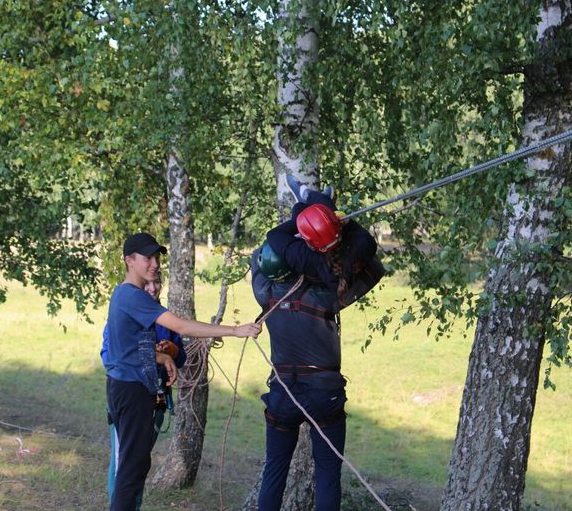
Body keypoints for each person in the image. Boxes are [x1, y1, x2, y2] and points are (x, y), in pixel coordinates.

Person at [252, 177, 384, 511]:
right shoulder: (331, 295)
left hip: (283, 393)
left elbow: (258, 256)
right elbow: (375, 268)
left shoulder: (263, 292)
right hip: (323, 393)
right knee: (327, 474)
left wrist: (299, 232)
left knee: (274, 470)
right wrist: (324, 229)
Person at [105, 232, 262, 511]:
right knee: (130, 470)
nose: (154, 264)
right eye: (147, 258)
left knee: (136, 464)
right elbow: (182, 327)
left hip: (128, 388)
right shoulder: (132, 296)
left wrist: (162, 356)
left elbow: (126, 347)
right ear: (129, 260)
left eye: (156, 257)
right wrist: (235, 330)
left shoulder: (124, 294)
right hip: (131, 392)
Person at [101, 274, 187, 509]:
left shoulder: (163, 317)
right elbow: (110, 357)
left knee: (138, 463)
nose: (152, 288)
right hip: (129, 397)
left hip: (156, 401)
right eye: (146, 284)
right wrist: (154, 355)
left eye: (156, 282)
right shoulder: (122, 314)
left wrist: (173, 352)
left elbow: (181, 356)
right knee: (123, 464)